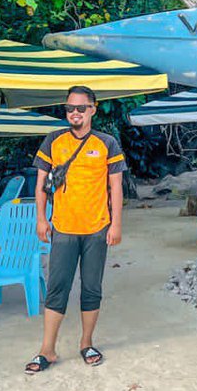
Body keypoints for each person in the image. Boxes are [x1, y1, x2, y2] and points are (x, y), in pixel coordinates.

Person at [26, 86, 125, 373]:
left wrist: (116, 224)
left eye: (81, 108)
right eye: (70, 108)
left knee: (92, 287)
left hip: (97, 228)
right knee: (57, 287)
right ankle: (47, 350)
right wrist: (41, 219)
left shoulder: (107, 143)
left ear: (93, 109)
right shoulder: (53, 141)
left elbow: (116, 187)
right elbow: (41, 184)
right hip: (64, 228)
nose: (75, 113)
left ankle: (86, 343)